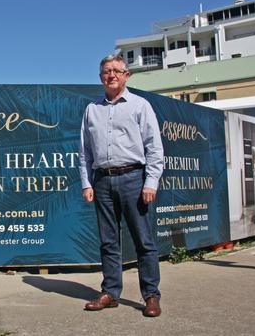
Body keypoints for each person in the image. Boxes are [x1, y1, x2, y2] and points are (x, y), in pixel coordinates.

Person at [79, 54, 164, 317]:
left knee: (143, 241)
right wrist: (86, 182)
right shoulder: (91, 109)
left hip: (134, 180)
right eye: (106, 71)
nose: (111, 75)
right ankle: (111, 293)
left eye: (117, 70)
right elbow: (84, 152)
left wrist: (151, 182)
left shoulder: (140, 106)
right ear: (101, 76)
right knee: (108, 241)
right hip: (102, 181)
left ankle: (150, 295)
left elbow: (155, 148)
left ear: (127, 75)